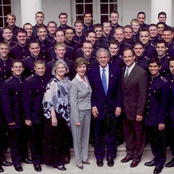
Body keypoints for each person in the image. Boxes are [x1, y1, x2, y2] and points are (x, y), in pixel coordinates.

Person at [88, 48, 122, 167]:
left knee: (111, 133)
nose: (103, 59)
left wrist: (118, 105)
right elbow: (90, 91)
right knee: (98, 134)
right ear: (97, 59)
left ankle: (111, 156)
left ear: (108, 58)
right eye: (100, 57)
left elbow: (119, 89)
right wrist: (93, 106)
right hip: (98, 108)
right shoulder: (92, 72)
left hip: (112, 107)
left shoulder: (116, 70)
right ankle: (99, 156)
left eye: (105, 57)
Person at [1, 60, 32, 172]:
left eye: (20, 67)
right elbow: (6, 103)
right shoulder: (7, 83)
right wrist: (9, 119)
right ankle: (16, 161)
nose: (18, 69)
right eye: (16, 67)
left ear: (23, 68)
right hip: (13, 117)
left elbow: (27, 100)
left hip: (23, 115)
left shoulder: (25, 81)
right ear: (12, 69)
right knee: (15, 141)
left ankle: (24, 157)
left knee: (23, 139)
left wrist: (27, 117)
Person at [121, 48, 148, 168]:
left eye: (129, 56)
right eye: (125, 57)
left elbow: (143, 95)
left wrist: (140, 112)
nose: (127, 59)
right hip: (125, 110)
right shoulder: (122, 71)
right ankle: (129, 154)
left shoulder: (141, 73)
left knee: (138, 135)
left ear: (134, 57)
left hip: (136, 110)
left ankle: (137, 157)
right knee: (128, 134)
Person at [42, 59, 71, 171]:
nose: (61, 69)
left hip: (66, 114)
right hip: (57, 114)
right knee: (57, 139)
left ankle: (62, 158)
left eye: (63, 67)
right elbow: (49, 100)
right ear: (55, 69)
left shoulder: (68, 80)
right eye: (59, 68)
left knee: (63, 138)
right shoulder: (53, 82)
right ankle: (57, 162)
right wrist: (53, 117)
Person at [23, 59, 50, 172]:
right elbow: (26, 101)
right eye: (38, 68)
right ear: (34, 68)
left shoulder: (48, 78)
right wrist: (28, 117)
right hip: (35, 114)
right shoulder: (29, 81)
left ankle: (44, 158)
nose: (41, 70)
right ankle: (36, 161)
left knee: (45, 138)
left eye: (42, 68)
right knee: (35, 140)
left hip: (46, 114)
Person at [144, 57, 169, 174]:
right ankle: (155, 158)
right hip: (150, 117)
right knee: (153, 141)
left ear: (159, 67)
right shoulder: (149, 79)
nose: (152, 68)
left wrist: (161, 121)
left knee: (160, 141)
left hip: (158, 118)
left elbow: (164, 104)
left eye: (155, 66)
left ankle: (160, 163)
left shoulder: (163, 82)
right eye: (151, 66)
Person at [70, 57, 92, 170]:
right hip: (78, 113)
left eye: (84, 66)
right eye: (80, 67)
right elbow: (72, 102)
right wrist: (76, 118)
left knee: (85, 136)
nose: (82, 69)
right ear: (76, 68)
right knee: (77, 138)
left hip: (87, 111)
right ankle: (78, 161)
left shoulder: (86, 78)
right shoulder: (74, 82)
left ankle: (84, 157)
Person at [165, 57, 174, 168]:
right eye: (171, 66)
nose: (173, 69)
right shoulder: (166, 78)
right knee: (172, 138)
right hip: (170, 114)